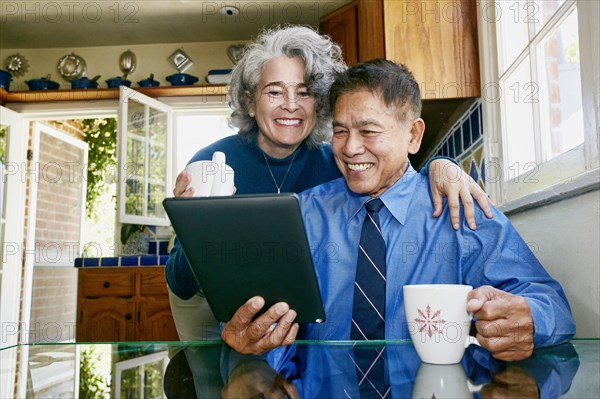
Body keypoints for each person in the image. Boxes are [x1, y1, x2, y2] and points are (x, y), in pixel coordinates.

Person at [222, 59, 575, 362]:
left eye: (369, 130)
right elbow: (257, 317)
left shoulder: (462, 207)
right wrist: (248, 337)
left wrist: (530, 320)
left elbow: (552, 305)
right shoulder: (302, 215)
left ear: (413, 135)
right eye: (341, 131)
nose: (350, 148)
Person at [165, 26, 492, 342]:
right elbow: (181, 282)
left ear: (319, 103)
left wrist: (443, 166)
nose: (290, 104)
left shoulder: (340, 160)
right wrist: (197, 224)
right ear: (251, 102)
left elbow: (397, 177)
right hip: (212, 299)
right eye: (275, 91)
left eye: (304, 92)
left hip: (289, 308)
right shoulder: (212, 162)